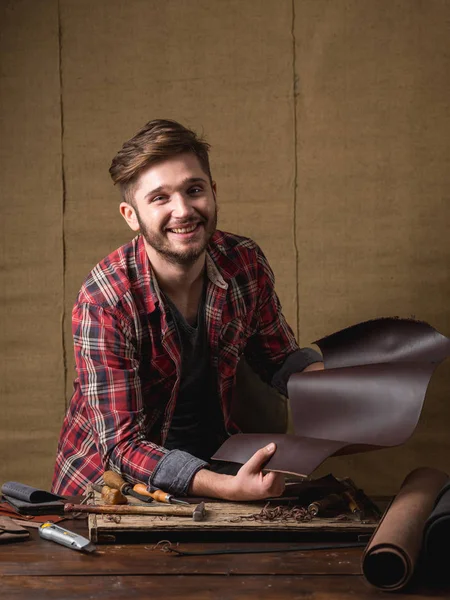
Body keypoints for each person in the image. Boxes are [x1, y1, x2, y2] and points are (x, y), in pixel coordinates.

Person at [52, 119, 324, 500]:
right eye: (159, 198)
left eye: (193, 190)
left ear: (212, 192)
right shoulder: (105, 301)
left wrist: (339, 390)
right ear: (131, 216)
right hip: (114, 488)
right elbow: (122, 447)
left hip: (217, 461)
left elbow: (278, 358)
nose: (183, 210)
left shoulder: (242, 262)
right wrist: (228, 488)